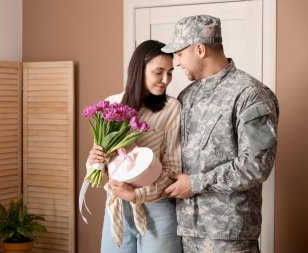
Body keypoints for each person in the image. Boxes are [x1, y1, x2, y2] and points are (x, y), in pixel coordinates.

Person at [161, 15, 279, 252]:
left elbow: (257, 164)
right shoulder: (186, 97)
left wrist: (195, 183)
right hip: (186, 230)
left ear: (200, 49)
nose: (177, 63)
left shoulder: (250, 94)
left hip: (229, 236)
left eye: (180, 54)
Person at [87, 40, 182, 253]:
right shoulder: (112, 103)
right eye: (159, 72)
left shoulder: (171, 108)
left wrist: (137, 195)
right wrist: (94, 161)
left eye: (170, 72)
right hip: (117, 209)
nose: (166, 80)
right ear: (139, 70)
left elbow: (173, 170)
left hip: (156, 208)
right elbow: (100, 167)